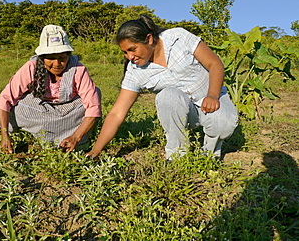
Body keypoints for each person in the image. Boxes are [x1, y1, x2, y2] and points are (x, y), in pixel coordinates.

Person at [86, 15, 237, 160]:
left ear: (149, 39)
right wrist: (96, 150)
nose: (129, 57)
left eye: (133, 49)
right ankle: (177, 155)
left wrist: (212, 95)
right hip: (183, 111)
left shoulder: (178, 37)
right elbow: (117, 114)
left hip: (211, 98)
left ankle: (209, 155)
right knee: (167, 96)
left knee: (224, 124)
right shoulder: (135, 71)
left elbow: (214, 63)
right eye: (125, 52)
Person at [0, 25, 101, 154]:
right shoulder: (31, 67)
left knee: (96, 93)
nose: (57, 64)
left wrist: (76, 137)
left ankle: (72, 137)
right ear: (42, 57)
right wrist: (5, 135)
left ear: (69, 55)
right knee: (16, 107)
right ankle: (53, 132)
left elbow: (93, 108)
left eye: (62, 58)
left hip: (69, 112)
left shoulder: (78, 70)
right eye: (51, 58)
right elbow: (4, 100)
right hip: (39, 110)